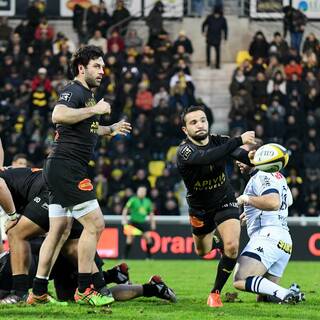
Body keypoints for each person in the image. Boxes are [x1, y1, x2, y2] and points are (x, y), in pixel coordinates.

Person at [27, 45, 132, 307]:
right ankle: (85, 288)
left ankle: (38, 291)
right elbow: (58, 114)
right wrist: (95, 110)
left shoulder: (86, 96)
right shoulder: (74, 90)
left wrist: (110, 128)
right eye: (97, 65)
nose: (102, 71)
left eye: (103, 66)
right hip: (67, 168)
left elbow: (88, 129)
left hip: (59, 166)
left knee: (59, 231)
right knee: (95, 224)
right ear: (81, 68)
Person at [176, 105, 256, 307]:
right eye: (193, 122)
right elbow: (206, 157)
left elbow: (243, 156)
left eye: (202, 120)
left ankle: (215, 293)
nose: (200, 125)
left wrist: (259, 158)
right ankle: (216, 244)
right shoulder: (184, 151)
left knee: (232, 247)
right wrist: (238, 139)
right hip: (200, 208)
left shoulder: (219, 140)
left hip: (225, 200)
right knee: (203, 251)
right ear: (185, 130)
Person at [0, 238, 177, 304]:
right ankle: (114, 275)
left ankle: (153, 288)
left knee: (92, 296)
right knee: (69, 297)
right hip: (66, 253)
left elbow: (10, 298)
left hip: (73, 253)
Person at [233, 143, 305, 304]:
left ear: (255, 155)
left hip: (268, 236)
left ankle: (287, 293)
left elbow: (273, 202)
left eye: (241, 155)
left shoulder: (261, 175)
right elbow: (289, 201)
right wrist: (254, 213)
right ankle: (292, 293)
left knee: (240, 279)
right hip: (284, 241)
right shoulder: (277, 175)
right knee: (265, 297)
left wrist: (246, 199)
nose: (237, 160)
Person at [122, 186, 156, 259]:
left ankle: (149, 257)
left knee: (148, 238)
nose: (142, 193)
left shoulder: (148, 201)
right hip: (133, 222)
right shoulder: (133, 200)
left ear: (145, 193)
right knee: (129, 239)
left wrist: (153, 222)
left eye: (143, 191)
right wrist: (124, 219)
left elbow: (151, 213)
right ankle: (125, 257)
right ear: (137, 192)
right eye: (140, 191)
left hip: (142, 222)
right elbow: (125, 209)